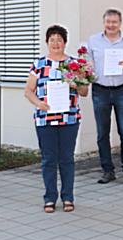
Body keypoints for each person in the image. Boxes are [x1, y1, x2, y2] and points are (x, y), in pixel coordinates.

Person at [24, 25, 88, 213]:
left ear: (65, 42)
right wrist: (39, 103)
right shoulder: (39, 64)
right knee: (48, 159)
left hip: (69, 119)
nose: (56, 43)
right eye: (52, 40)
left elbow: (84, 92)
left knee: (67, 159)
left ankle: (68, 197)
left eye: (59, 39)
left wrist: (78, 80)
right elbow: (28, 91)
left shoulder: (75, 64)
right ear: (47, 42)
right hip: (45, 119)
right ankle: (50, 197)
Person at [87, 8, 123, 185]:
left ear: (120, 23)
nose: (111, 25)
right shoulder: (93, 41)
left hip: (122, 89)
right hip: (100, 90)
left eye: (114, 22)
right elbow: (87, 65)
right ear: (104, 23)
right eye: (108, 22)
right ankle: (107, 171)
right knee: (102, 133)